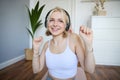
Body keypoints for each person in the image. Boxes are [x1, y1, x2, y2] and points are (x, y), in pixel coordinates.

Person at [32, 7, 95, 80]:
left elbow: (90, 70)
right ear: (47, 24)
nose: (55, 24)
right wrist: (36, 51)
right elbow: (36, 70)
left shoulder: (74, 39)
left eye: (60, 21)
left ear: (66, 25)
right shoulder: (46, 45)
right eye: (51, 20)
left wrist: (89, 45)